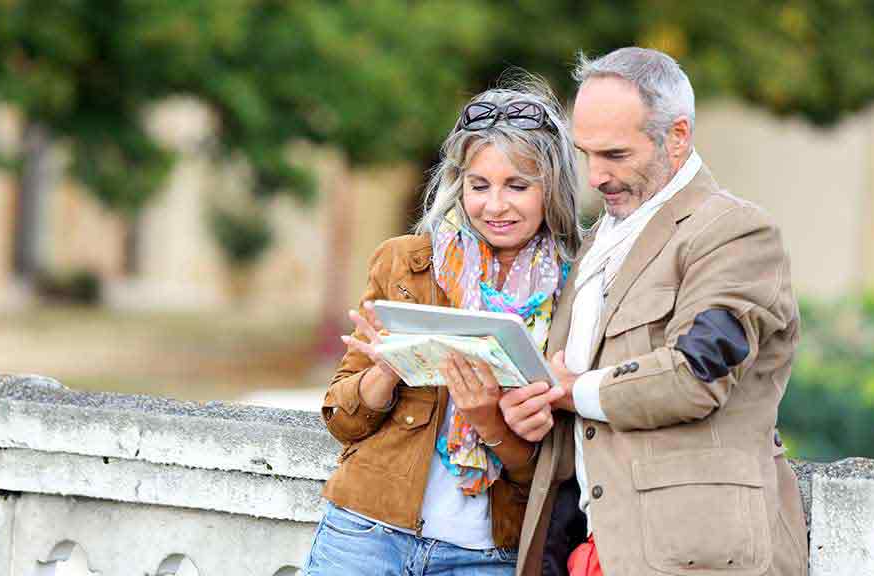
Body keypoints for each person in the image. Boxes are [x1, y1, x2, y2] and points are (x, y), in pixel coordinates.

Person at [500, 47, 809, 576]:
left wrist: (571, 389)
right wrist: (530, 407)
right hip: (583, 546)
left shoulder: (734, 232)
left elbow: (695, 375)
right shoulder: (596, 241)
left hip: (697, 554)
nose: (595, 176)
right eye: (586, 154)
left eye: (616, 155)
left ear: (678, 136)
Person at [303, 72, 583, 575]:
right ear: (459, 183)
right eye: (479, 185)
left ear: (553, 188)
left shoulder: (578, 291)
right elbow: (342, 420)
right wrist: (386, 370)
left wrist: (487, 419)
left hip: (489, 553)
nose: (494, 206)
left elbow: (551, 470)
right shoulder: (406, 263)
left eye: (517, 186)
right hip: (366, 534)